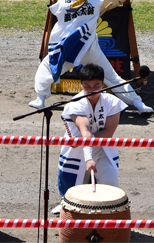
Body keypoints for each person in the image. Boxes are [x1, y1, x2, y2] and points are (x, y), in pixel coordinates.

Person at [30, 0, 153, 114]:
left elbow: (57, 12)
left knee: (45, 68)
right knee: (113, 79)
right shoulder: (95, 1)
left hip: (68, 50)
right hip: (90, 49)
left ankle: (40, 100)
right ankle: (139, 104)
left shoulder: (62, 3)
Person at [55, 63, 127, 214]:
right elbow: (85, 130)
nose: (92, 90)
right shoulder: (76, 103)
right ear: (80, 85)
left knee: (110, 183)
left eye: (97, 85)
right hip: (77, 150)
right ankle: (66, 209)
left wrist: (85, 144)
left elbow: (108, 131)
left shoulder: (112, 102)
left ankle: (110, 216)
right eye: (87, 86)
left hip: (102, 149)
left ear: (103, 84)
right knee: (74, 187)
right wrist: (88, 156)